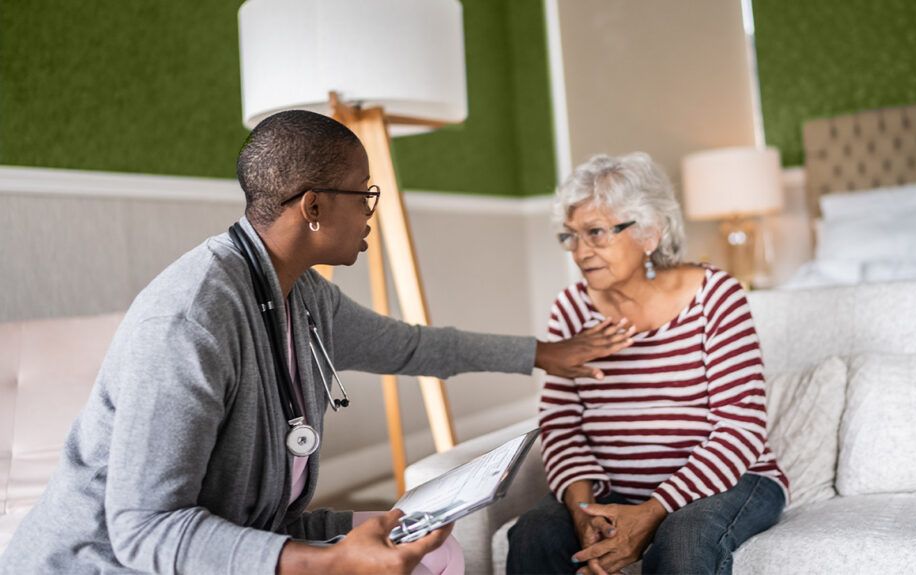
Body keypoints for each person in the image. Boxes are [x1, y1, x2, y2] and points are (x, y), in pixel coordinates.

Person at [0, 111, 635, 575]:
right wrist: (320, 564)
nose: (370, 214)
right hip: (116, 562)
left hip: (254, 528)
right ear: (313, 206)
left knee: (436, 550)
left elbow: (412, 348)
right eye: (365, 195)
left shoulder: (301, 292)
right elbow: (143, 531)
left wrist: (542, 354)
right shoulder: (189, 321)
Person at [506, 153, 789, 575]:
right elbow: (562, 426)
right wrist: (584, 511)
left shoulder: (715, 296)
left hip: (732, 481)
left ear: (650, 232)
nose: (581, 252)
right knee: (534, 532)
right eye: (571, 236)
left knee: (685, 538)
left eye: (597, 233)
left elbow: (740, 429)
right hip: (613, 488)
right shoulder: (570, 309)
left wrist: (655, 510)